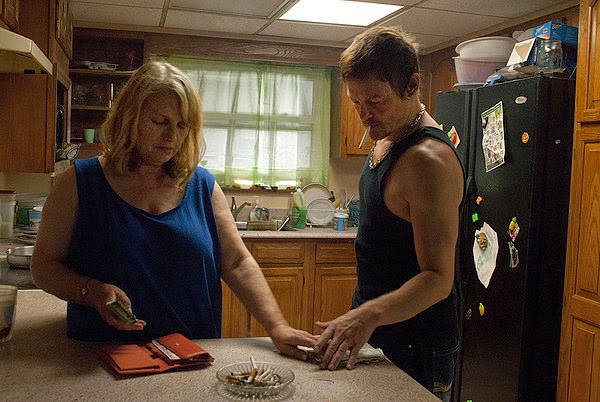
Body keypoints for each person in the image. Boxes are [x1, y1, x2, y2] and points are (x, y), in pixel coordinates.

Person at [30, 60, 317, 361]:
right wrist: (90, 291)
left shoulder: (203, 186)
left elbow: (237, 263)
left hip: (191, 358)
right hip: (101, 360)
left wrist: (277, 326)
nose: (172, 136)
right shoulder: (80, 182)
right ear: (129, 117)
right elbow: (43, 266)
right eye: (160, 121)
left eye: (182, 126)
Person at [312, 26, 464, 401]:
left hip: (417, 344)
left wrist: (366, 315)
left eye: (375, 101)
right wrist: (361, 316)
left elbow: (438, 279)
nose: (364, 115)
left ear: (412, 85)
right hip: (378, 328)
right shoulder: (387, 133)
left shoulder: (428, 161)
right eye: (356, 102)